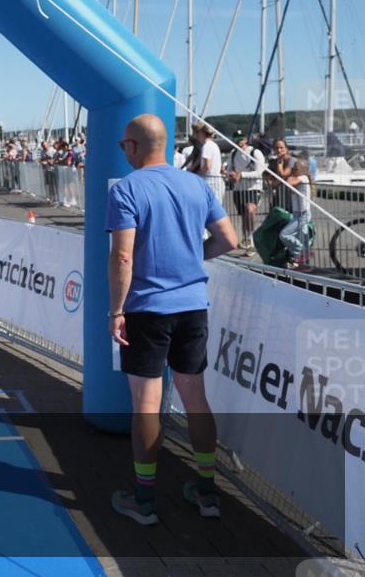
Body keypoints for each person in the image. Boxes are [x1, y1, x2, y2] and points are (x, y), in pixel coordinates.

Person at [106, 114, 238, 526]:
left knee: (146, 404)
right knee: (195, 398)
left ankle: (144, 500)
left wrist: (116, 310)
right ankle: (207, 493)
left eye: (122, 146)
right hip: (192, 305)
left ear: (131, 146)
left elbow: (123, 257)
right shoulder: (196, 184)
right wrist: (187, 262)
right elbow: (229, 240)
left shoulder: (128, 188)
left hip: (148, 308)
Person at [225, 131, 266, 253]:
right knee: (244, 217)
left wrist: (241, 174)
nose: (239, 141)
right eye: (236, 138)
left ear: (246, 139)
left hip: (253, 188)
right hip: (239, 189)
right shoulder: (233, 153)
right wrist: (230, 175)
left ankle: (252, 239)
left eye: (241, 138)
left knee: (250, 210)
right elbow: (228, 170)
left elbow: (260, 172)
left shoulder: (255, 152)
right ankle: (247, 240)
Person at [279, 158, 313, 270]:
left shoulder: (303, 178)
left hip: (303, 214)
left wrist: (287, 175)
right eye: (294, 167)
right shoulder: (297, 179)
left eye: (297, 167)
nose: (295, 168)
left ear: (304, 169)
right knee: (303, 238)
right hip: (297, 213)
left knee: (284, 234)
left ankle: (300, 253)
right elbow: (290, 186)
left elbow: (288, 182)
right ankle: (303, 263)